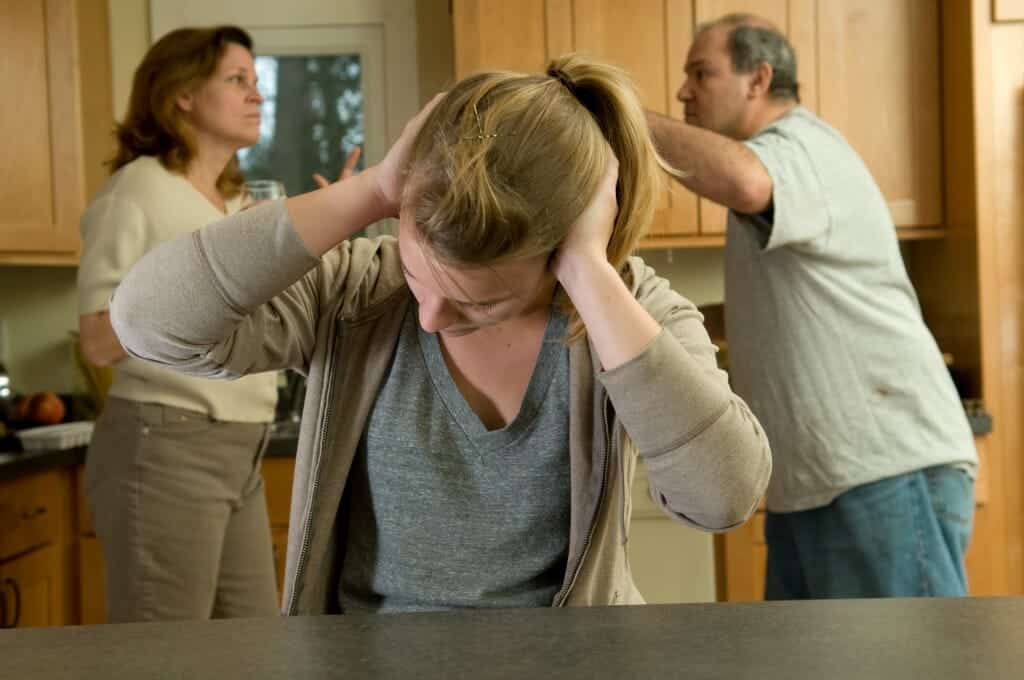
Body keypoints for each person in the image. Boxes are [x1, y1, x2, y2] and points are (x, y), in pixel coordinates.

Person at [109, 53, 772, 615]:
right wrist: (373, 188)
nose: (429, 320)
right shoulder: (357, 292)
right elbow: (147, 323)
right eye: (422, 278)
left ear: (561, 250)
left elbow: (724, 497)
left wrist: (591, 270)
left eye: (477, 305)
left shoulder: (628, 310)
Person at [646, 14, 978, 599]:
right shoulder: (781, 170)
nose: (683, 92)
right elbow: (765, 314)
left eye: (702, 73)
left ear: (758, 79)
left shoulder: (801, 147)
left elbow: (747, 183)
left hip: (882, 472)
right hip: (816, 483)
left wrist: (624, 116)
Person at [76, 26, 282, 622]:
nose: (256, 94)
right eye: (236, 80)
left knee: (251, 651)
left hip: (243, 446)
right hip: (166, 445)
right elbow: (97, 338)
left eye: (255, 80)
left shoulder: (238, 203)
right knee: (163, 656)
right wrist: (211, 291)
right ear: (183, 94)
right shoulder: (138, 190)